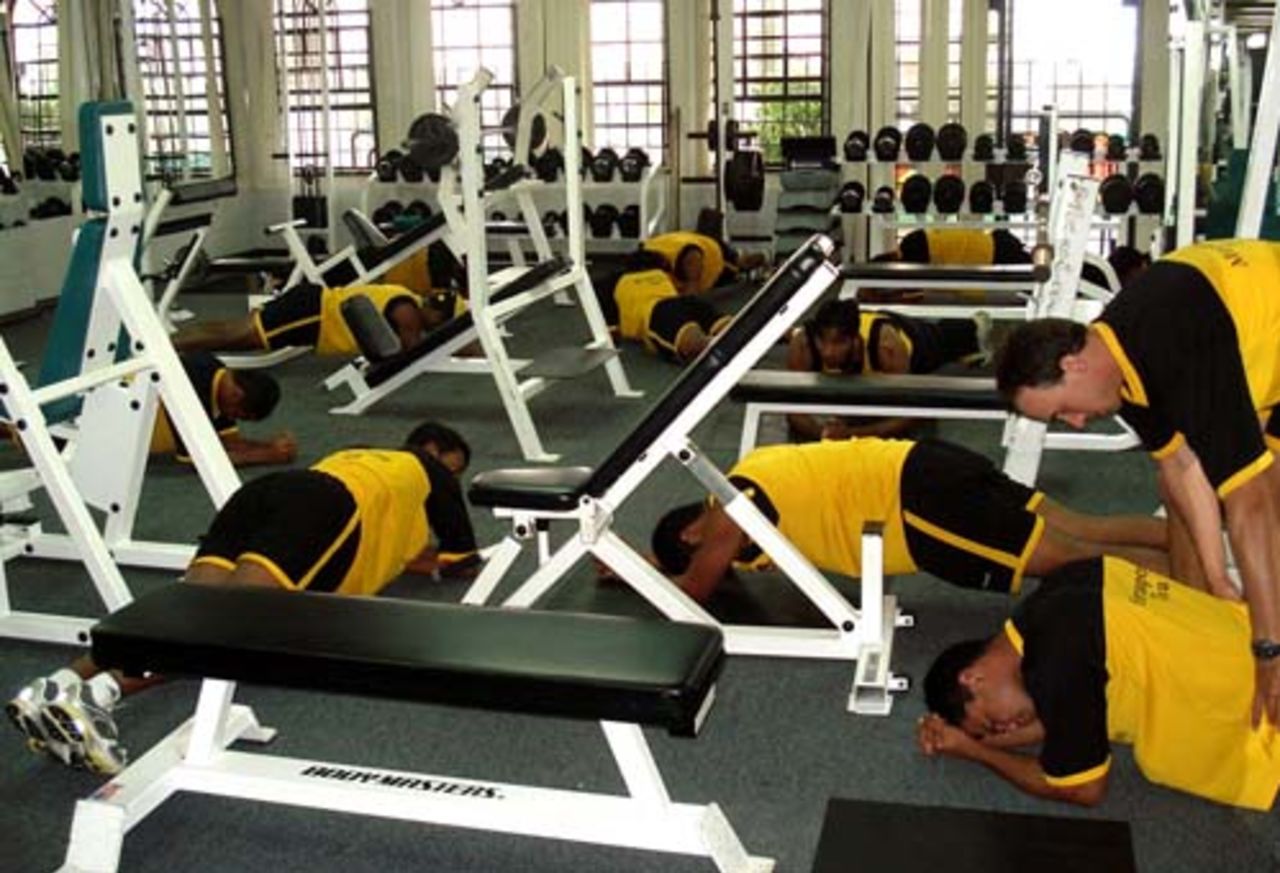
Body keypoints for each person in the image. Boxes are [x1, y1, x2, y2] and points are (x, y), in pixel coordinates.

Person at [5, 421, 477, 775]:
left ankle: (57, 683)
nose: (451, 476)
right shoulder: (430, 470)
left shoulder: (358, 451)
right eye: (453, 466)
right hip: (327, 508)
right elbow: (461, 559)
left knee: (188, 608)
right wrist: (423, 556)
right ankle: (99, 695)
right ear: (434, 450)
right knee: (228, 627)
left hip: (265, 493)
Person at [994, 239, 1280, 726]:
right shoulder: (1120, 366)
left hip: (1251, 321)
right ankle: (1210, 628)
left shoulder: (1174, 345)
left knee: (1258, 496)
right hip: (1257, 349)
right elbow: (1183, 469)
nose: (1077, 423)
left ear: (1073, 364)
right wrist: (1216, 577)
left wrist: (1268, 648)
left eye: (1063, 410)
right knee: (1208, 490)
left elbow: (1248, 501)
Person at [919, 556, 1280, 810]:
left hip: (1262, 721)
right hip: (1256, 639)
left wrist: (976, 752)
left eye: (992, 723)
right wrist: (967, 737)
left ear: (973, 678)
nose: (1009, 729)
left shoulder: (1055, 666)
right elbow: (1056, 718)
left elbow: (1082, 789)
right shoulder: (1060, 589)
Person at [650, 437, 1168, 604]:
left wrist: (640, 575)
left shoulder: (730, 509)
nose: (726, 560)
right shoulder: (752, 469)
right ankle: (1198, 540)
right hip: (930, 461)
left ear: (693, 531)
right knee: (1086, 529)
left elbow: (695, 589)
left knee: (1076, 561)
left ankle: (1196, 581)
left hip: (923, 508)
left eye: (707, 551)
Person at [785, 298, 992, 441]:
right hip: (868, 348)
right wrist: (822, 433)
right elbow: (791, 408)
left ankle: (974, 326)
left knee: (942, 339)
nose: (828, 351)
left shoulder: (886, 347)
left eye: (839, 342)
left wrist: (852, 434)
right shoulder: (803, 345)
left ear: (855, 339)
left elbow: (912, 413)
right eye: (823, 341)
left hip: (911, 340)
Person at [171, 280, 431, 357]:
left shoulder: (404, 293)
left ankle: (171, 342)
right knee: (237, 337)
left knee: (234, 331)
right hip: (312, 314)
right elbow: (412, 351)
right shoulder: (407, 310)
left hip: (311, 304)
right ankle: (168, 347)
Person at [151, 350, 297, 467]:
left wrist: (269, 446)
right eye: (239, 415)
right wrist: (266, 455)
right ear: (236, 395)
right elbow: (201, 460)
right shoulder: (191, 387)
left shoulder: (219, 375)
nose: (232, 418)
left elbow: (225, 443)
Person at [596, 263, 731, 363]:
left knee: (698, 348)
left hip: (656, 312)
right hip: (685, 301)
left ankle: (718, 350)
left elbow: (611, 335)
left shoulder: (612, 284)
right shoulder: (660, 272)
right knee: (733, 330)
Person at [641, 228, 768, 296]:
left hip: (713, 255)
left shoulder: (680, 258)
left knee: (741, 265)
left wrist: (689, 293)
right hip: (698, 240)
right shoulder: (647, 248)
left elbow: (692, 256)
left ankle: (765, 257)